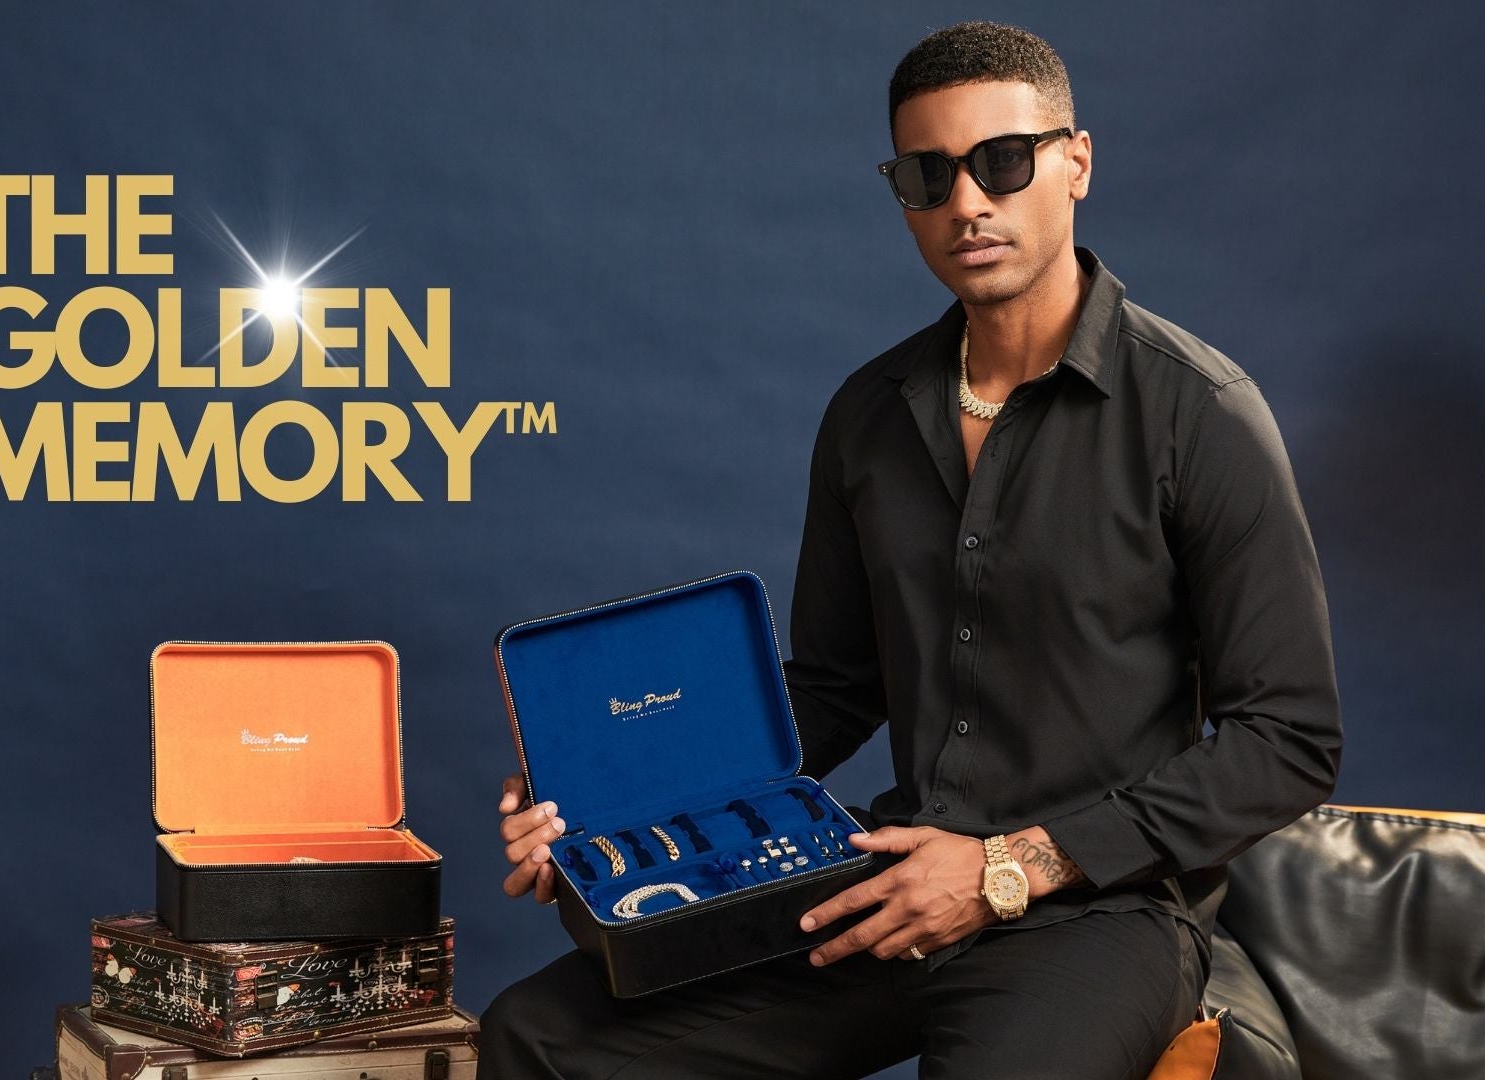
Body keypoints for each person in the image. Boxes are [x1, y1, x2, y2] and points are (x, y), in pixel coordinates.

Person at [481, 21, 1342, 1079]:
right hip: (887, 872)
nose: (966, 202)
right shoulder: (869, 415)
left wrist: (1008, 867)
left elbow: (1289, 740)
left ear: (1076, 163)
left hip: (1099, 911)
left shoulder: (1200, 412)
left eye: (1002, 161)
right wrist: (607, 804)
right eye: (929, 174)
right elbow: (835, 689)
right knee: (538, 1038)